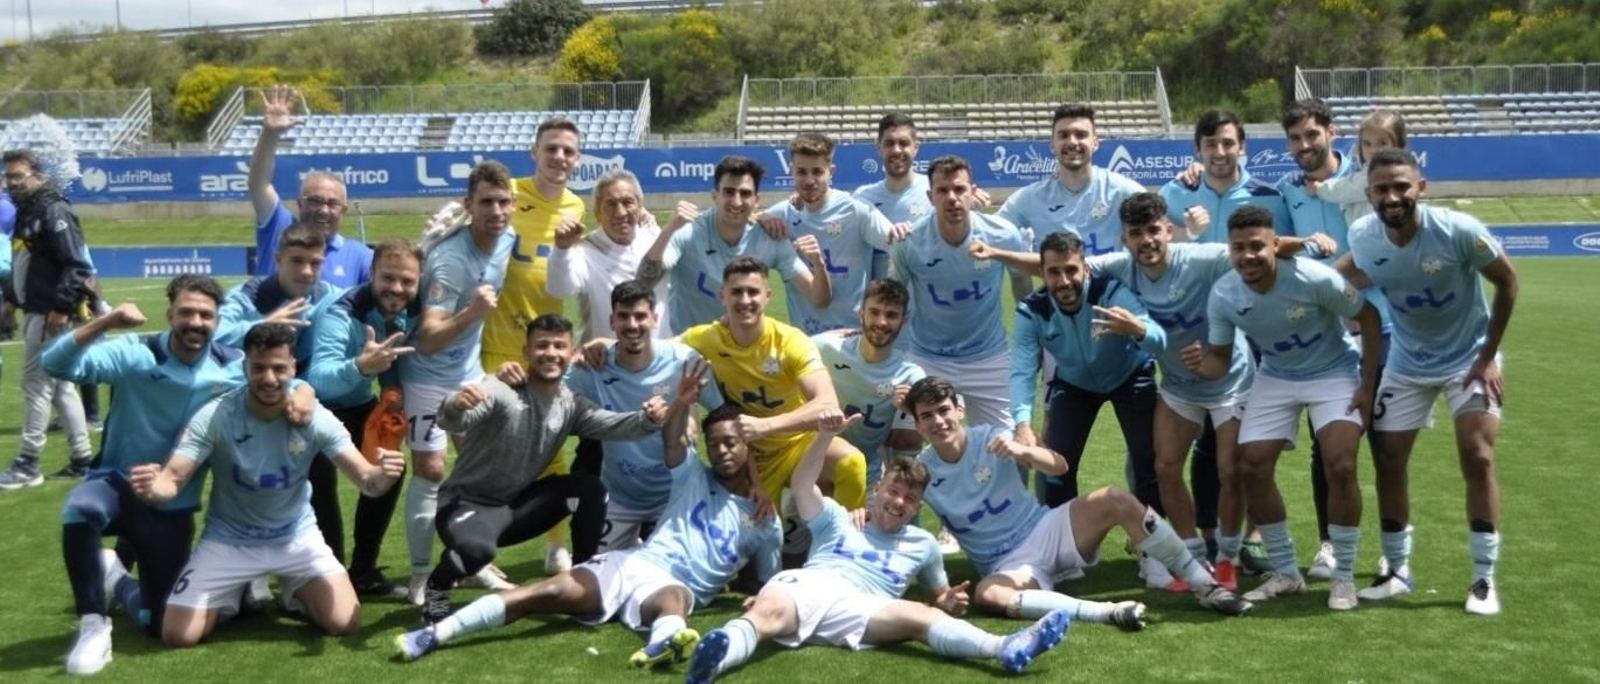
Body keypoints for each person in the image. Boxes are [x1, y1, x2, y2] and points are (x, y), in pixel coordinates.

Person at [394, 365, 782, 670]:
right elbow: (674, 440)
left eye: (731, 443)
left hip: (673, 587)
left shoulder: (767, 522)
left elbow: (766, 582)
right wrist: (681, 403)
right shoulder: (693, 476)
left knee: (675, 599)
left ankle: (663, 644)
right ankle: (434, 634)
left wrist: (754, 595)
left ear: (749, 447)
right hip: (631, 564)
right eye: (714, 444)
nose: (722, 451)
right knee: (541, 594)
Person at [44, 276, 316, 674]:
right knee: (80, 509)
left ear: (217, 321)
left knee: (160, 626)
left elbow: (281, 378)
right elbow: (56, 363)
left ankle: (116, 580)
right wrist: (107, 321)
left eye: (206, 315)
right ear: (170, 315)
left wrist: (305, 393)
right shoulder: (136, 353)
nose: (196, 322)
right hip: (116, 486)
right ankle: (93, 625)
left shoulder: (229, 366)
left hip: (174, 505)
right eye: (186, 312)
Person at [682, 410, 1073, 684]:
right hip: (813, 584)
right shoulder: (838, 519)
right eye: (893, 491)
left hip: (864, 606)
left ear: (918, 508)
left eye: (909, 498)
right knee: (770, 614)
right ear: (876, 491)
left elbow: (937, 595)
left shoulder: (923, 544)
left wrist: (946, 600)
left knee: (920, 617)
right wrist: (824, 436)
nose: (898, 502)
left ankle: (1005, 647)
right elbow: (802, 486)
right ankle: (714, 662)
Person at [1086, 193, 1331, 591]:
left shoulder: (1202, 259)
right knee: (1166, 468)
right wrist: (996, 253)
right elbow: (1067, 265)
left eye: (1153, 230)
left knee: (1230, 472)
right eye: (1136, 233)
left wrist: (1306, 243)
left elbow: (1256, 249)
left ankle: (1227, 559)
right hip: (1179, 385)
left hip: (1230, 383)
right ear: (1125, 239)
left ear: (1169, 230)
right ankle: (1192, 559)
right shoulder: (1119, 267)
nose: (1146, 240)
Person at [129, 322, 406, 647]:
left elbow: (367, 481)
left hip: (296, 537)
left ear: (293, 368)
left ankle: (293, 593)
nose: (269, 378)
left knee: (345, 621)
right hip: (229, 540)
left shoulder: (316, 417)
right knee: (178, 635)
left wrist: (383, 475)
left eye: (279, 368)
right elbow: (173, 478)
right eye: (259, 368)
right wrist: (154, 489)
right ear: (245, 367)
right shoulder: (217, 415)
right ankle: (215, 591)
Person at [1336, 148, 1518, 615]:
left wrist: (1488, 356)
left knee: (1478, 457)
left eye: (1401, 186)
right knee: (1388, 460)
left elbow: (1508, 281)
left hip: (1468, 360)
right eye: (1381, 189)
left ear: (1421, 187)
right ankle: (1396, 571)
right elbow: (1341, 276)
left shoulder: (1458, 230)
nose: (1392, 196)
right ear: (1369, 194)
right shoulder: (1363, 236)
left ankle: (1483, 578)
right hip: (1407, 363)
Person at [906, 376, 1252, 621]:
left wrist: (1023, 450)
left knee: (1115, 498)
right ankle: (1107, 612)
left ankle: (1206, 586)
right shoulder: (921, 471)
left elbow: (1059, 466)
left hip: (1047, 529)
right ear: (918, 426)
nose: (938, 421)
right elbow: (896, 512)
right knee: (988, 595)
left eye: (943, 410)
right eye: (927, 416)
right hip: (1007, 566)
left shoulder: (991, 436)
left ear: (959, 409)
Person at [417, 314, 672, 624]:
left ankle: (584, 583)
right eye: (542, 345)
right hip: (463, 507)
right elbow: (454, 419)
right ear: (526, 352)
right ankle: (438, 586)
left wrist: (648, 419)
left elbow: (615, 425)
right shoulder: (502, 388)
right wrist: (456, 404)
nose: (551, 353)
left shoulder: (570, 404)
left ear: (571, 353)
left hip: (512, 509)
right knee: (477, 552)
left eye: (559, 346)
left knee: (589, 489)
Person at [1188, 206, 1382, 611]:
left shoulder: (1314, 278)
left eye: (1257, 246)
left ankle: (1343, 576)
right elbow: (1219, 358)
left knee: (1341, 464)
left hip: (1334, 371)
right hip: (1276, 375)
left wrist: (1367, 386)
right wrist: (1200, 366)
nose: (1248, 256)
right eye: (1238, 248)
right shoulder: (1224, 293)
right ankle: (1286, 572)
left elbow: (1369, 315)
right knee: (1251, 465)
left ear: (1275, 245)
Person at [1003, 231, 1170, 586]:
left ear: (1085, 269)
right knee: (1055, 465)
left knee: (1148, 461)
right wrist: (1022, 422)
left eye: (1071, 270)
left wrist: (1137, 328)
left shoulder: (1110, 292)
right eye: (1053, 272)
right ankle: (1064, 553)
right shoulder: (1032, 310)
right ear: (1042, 273)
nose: (1064, 281)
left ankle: (1153, 551)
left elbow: (1159, 338)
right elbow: (1021, 369)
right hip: (1075, 383)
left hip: (1130, 376)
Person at [399, 161, 518, 602]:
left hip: (468, 373)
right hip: (427, 376)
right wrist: (473, 313)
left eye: (503, 202)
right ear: (469, 205)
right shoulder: (450, 260)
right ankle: (419, 575)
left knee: (479, 469)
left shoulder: (508, 238)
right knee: (431, 470)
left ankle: (474, 562)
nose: (496, 211)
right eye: (486, 202)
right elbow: (429, 340)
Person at [481, 115, 589, 575]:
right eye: (551, 149)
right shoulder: (508, 194)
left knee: (550, 450)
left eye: (568, 151)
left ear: (577, 159)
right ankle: (477, 549)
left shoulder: (577, 206)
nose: (559, 157)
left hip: (547, 347)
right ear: (534, 152)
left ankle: (556, 544)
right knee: (490, 450)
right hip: (495, 341)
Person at [675, 257, 865, 512]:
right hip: (752, 456)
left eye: (753, 292)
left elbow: (827, 404)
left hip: (799, 445)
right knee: (759, 528)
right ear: (722, 296)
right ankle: (791, 519)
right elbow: (657, 352)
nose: (745, 300)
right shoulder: (706, 338)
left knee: (852, 464)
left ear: (768, 296)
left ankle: (842, 536)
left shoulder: (790, 341)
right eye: (736, 292)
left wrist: (767, 425)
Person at [214, 223, 346, 564]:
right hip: (245, 403)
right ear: (278, 260)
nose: (307, 271)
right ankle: (245, 572)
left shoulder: (328, 295)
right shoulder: (251, 294)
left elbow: (359, 308)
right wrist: (264, 324)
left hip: (300, 399)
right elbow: (213, 335)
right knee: (243, 483)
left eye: (315, 262)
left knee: (322, 478)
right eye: (297, 261)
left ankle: (334, 571)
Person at [559, 281, 725, 551]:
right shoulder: (593, 367)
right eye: (624, 316)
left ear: (655, 319)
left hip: (677, 494)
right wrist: (509, 377)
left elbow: (722, 415)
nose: (632, 324)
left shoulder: (685, 362)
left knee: (676, 572)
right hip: (620, 497)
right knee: (593, 574)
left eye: (640, 316)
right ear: (612, 322)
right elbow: (547, 394)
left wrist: (729, 482)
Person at [305, 239, 425, 595]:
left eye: (407, 281)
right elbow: (319, 379)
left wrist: (392, 390)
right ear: (371, 273)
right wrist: (361, 366)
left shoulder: (415, 308)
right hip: (314, 405)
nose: (397, 288)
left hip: (358, 401)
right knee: (319, 478)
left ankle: (363, 571)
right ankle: (331, 576)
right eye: (388, 278)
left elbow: (394, 356)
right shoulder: (342, 311)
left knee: (390, 469)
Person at [888, 155, 1028, 431]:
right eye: (942, 190)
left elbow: (1022, 284)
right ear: (930, 197)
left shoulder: (1002, 234)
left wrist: (1030, 339)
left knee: (1009, 444)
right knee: (905, 439)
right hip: (927, 357)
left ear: (972, 192)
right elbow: (893, 298)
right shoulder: (910, 242)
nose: (952, 198)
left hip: (989, 357)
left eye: (959, 189)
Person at [546, 170, 670, 480]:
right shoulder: (585, 251)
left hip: (658, 373)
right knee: (595, 467)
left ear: (640, 205)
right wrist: (561, 249)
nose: (620, 212)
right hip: (605, 376)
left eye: (628, 202)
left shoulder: (654, 239)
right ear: (597, 212)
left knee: (665, 461)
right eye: (610, 204)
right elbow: (561, 288)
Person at [636, 155, 832, 331]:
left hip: (743, 351)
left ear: (757, 199)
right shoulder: (689, 231)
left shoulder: (770, 238)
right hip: (691, 351)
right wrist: (668, 230)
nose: (737, 201)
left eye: (745, 194)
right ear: (715, 195)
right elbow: (644, 282)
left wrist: (818, 264)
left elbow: (818, 298)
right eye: (729, 192)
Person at [0, 148, 95, 488]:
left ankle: (28, 462)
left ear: (37, 175)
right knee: (61, 388)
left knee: (36, 385)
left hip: (49, 313)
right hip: (38, 309)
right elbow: (25, 263)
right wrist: (12, 301)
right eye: (8, 176)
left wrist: (61, 307)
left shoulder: (53, 210)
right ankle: (83, 458)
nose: (12, 183)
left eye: (18, 176)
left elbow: (76, 264)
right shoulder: (29, 210)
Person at [755, 132, 901, 334]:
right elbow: (738, 227)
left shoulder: (856, 210)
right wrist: (757, 217)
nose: (809, 180)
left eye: (817, 172)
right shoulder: (781, 215)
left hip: (853, 337)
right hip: (804, 340)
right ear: (791, 170)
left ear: (831, 171)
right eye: (801, 172)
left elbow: (899, 246)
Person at [247, 85, 372, 288]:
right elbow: (258, 183)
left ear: (343, 210)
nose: (324, 210)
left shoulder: (359, 256)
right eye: (315, 201)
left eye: (333, 204)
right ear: (300, 204)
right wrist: (270, 134)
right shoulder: (279, 229)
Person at [810, 279, 925, 488]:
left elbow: (935, 422)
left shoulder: (909, 374)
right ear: (861, 313)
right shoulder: (825, 347)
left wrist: (910, 410)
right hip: (813, 467)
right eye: (874, 312)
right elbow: (782, 349)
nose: (882, 322)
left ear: (904, 321)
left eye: (891, 315)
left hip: (864, 473)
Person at [997, 103, 1144, 258]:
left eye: (1081, 135)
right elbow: (990, 233)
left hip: (1110, 275)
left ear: (1095, 143)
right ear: (1052, 145)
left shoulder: (1123, 191)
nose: (1072, 142)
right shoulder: (1030, 198)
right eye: (1063, 135)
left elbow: (1158, 229)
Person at [1159, 110, 1292, 244]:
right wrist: (1189, 233)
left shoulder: (1270, 197)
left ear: (1242, 147)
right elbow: (1157, 241)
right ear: (1198, 149)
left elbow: (1282, 248)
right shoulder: (1173, 193)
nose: (1220, 153)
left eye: (1228, 143)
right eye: (1211, 144)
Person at [852, 113, 932, 280]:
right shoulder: (862, 198)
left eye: (903, 143)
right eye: (889, 143)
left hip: (924, 294)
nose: (896, 150)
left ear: (916, 147)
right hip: (879, 295)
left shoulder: (935, 191)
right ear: (879, 148)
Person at [1310, 109, 1408, 225]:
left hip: (1375, 234)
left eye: (1382, 143)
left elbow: (1347, 189)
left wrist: (1320, 188)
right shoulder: (1371, 169)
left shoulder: (1386, 173)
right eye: (1367, 144)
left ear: (1398, 145)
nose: (1373, 150)